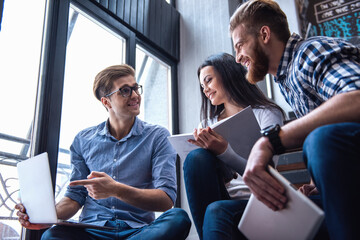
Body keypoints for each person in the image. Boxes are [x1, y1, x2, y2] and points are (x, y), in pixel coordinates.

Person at [229, 0, 360, 239]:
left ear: (264, 34)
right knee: (222, 213)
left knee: (319, 140)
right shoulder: (287, 79)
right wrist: (316, 180)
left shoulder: (309, 53)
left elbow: (356, 97)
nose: (237, 58)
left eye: (240, 46)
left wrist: (270, 141)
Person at [16, 64, 191, 240]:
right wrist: (46, 217)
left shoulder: (158, 136)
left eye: (135, 88)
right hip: (92, 230)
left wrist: (116, 189)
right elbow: (75, 197)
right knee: (51, 236)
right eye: (125, 90)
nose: (135, 95)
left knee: (178, 218)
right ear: (106, 102)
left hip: (137, 232)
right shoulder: (83, 140)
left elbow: (166, 200)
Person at [183, 52, 285, 239]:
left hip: (257, 200)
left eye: (208, 80)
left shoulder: (266, 113)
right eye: (202, 86)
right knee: (196, 158)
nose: (205, 89)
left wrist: (225, 152)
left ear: (228, 74)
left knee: (216, 210)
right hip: (219, 198)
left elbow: (266, 172)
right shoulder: (207, 124)